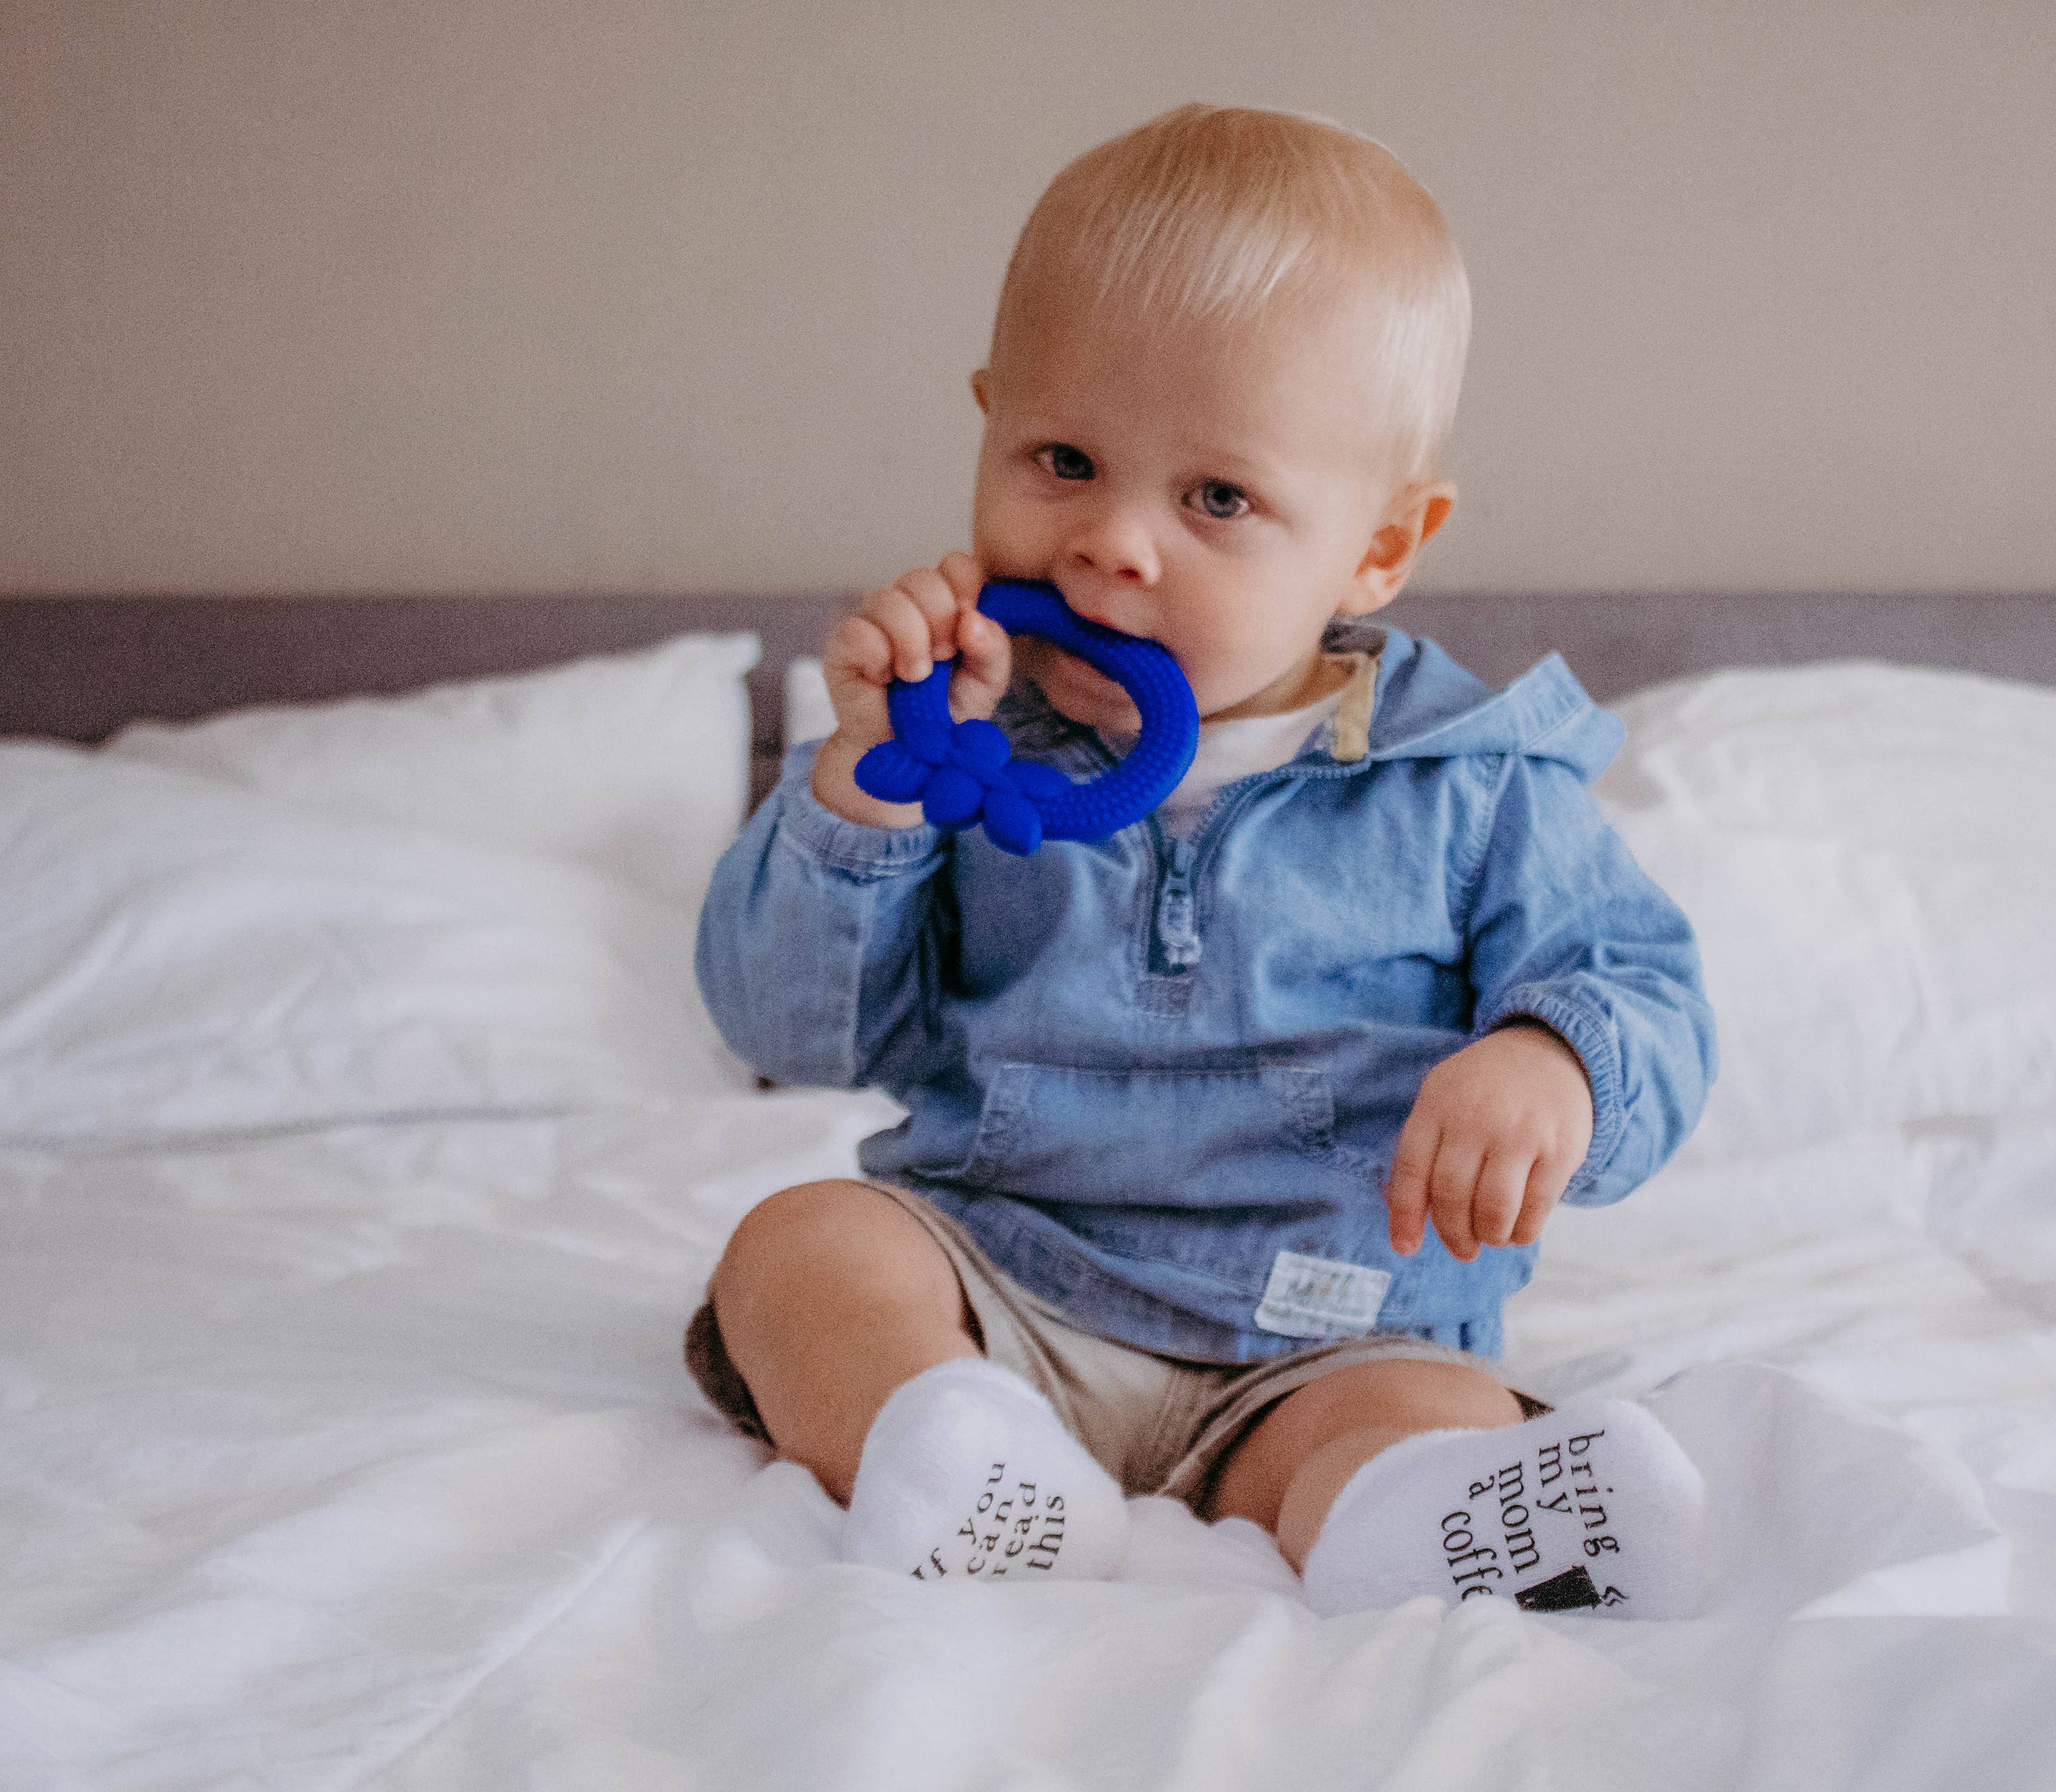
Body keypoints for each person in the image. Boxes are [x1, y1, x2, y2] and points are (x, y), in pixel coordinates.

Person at [690, 104, 1718, 1616]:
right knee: (800, 1247)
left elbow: (1648, 994)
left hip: (1332, 1330)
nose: (1112, 544)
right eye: (1063, 459)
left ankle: (1410, 1521)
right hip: (1003, 1286)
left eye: (1217, 498)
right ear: (987, 423)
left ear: (1379, 548)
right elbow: (789, 1032)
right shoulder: (958, 742)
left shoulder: (1475, 783)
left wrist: (1552, 1060)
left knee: (1425, 1415)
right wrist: (860, 789)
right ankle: (954, 1448)